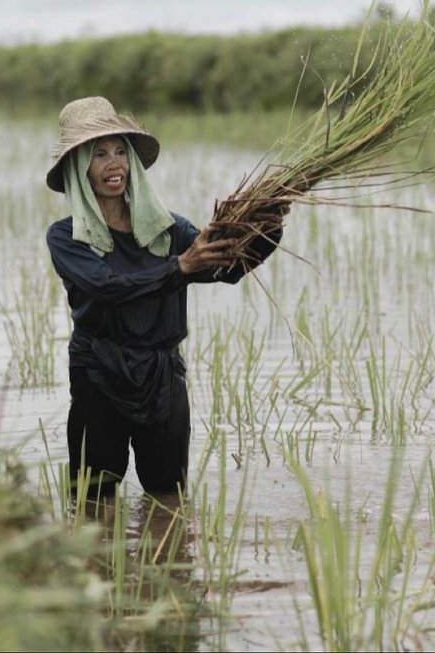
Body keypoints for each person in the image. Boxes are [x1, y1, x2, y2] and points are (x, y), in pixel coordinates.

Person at [46, 96, 284, 498]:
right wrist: (179, 267)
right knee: (92, 499)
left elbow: (224, 270)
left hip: (162, 376)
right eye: (99, 154)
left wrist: (266, 228)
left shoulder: (169, 229)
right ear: (78, 168)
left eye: (121, 151)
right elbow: (107, 287)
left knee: (169, 496)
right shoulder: (67, 237)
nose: (114, 163)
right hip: (99, 372)